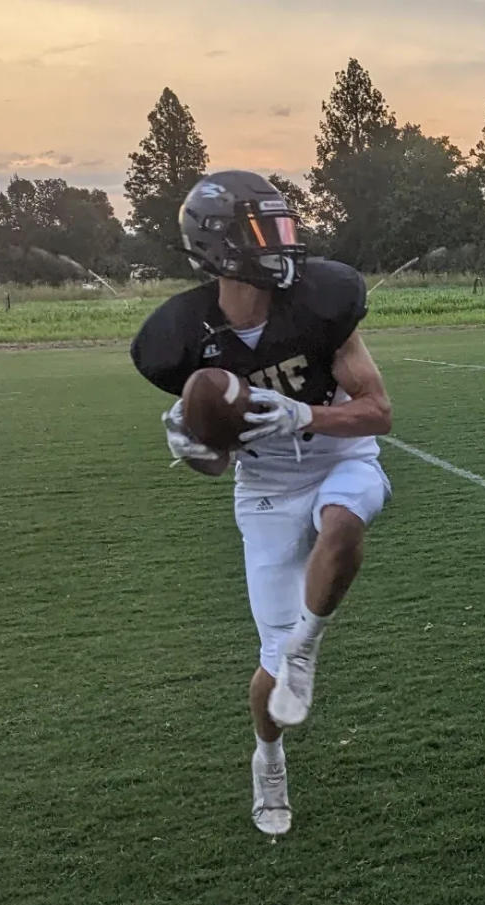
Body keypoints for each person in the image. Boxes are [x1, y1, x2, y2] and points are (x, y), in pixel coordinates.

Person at [130, 170, 392, 836]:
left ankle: (309, 644)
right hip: (266, 486)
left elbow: (378, 413)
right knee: (269, 670)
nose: (281, 243)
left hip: (338, 454)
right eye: (262, 232)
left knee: (346, 521)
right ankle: (268, 755)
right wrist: (197, 448)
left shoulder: (320, 303)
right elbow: (219, 466)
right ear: (217, 248)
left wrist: (304, 413)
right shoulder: (185, 338)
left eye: (281, 226)